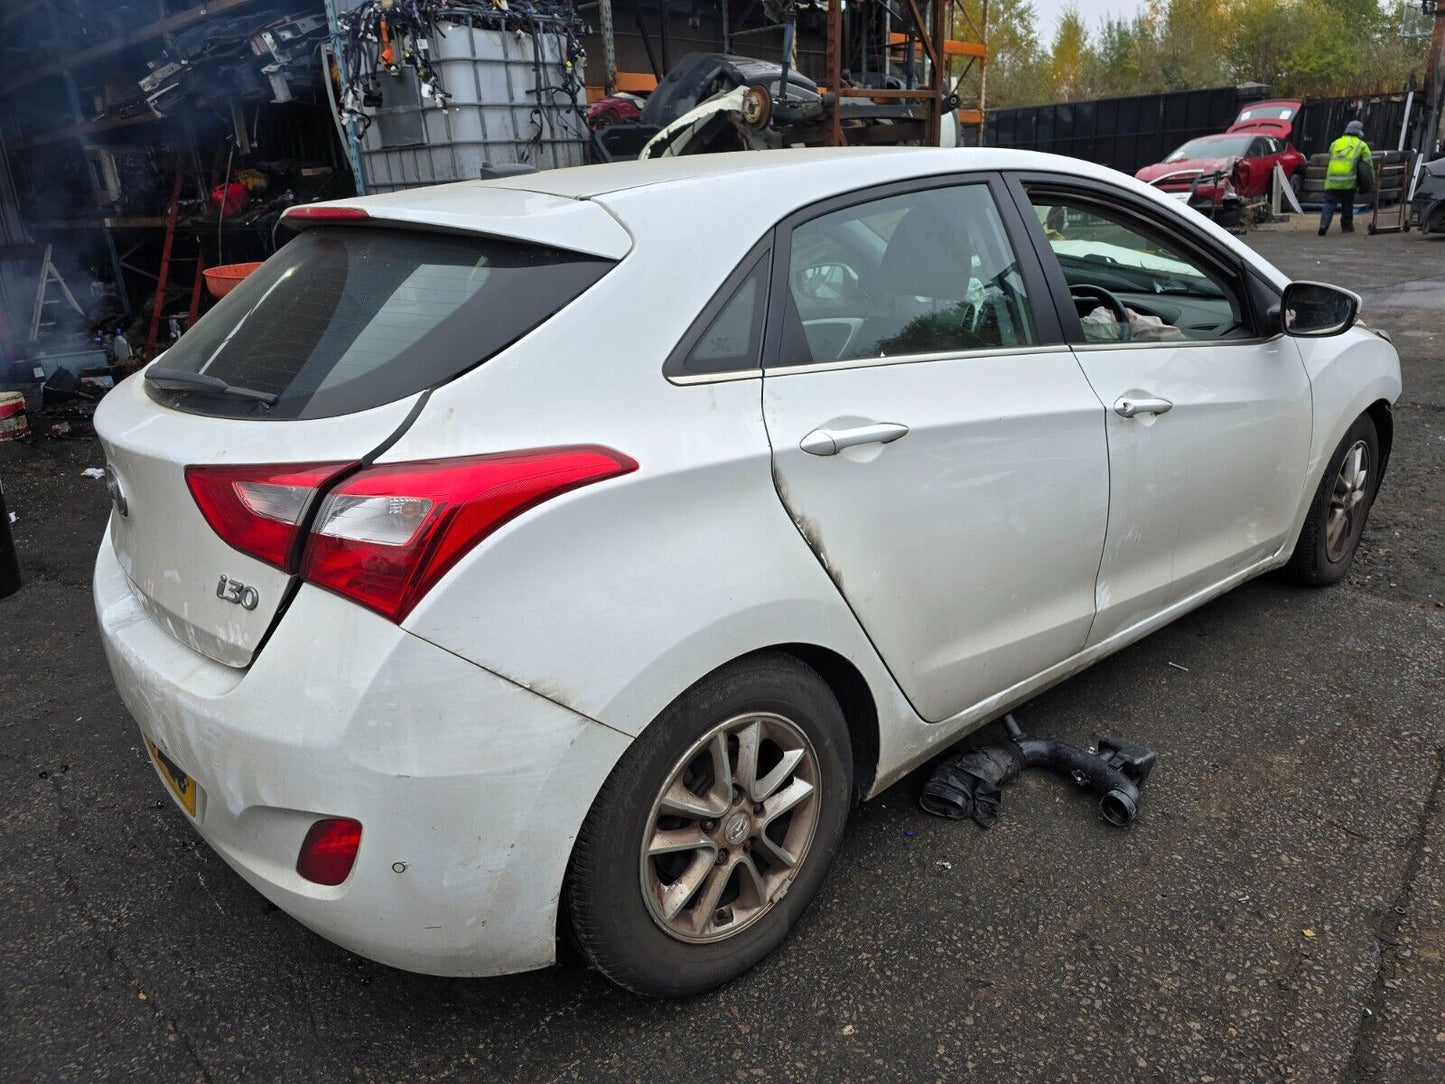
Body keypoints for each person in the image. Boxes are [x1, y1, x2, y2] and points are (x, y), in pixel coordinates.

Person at [1320, 120, 1373, 236]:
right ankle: (1347, 227)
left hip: (1332, 181)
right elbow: (1368, 166)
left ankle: (1323, 225)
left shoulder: (1335, 143)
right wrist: (1370, 181)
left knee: (1329, 203)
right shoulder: (1361, 145)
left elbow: (1331, 158)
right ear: (1359, 132)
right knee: (1347, 204)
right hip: (1348, 181)